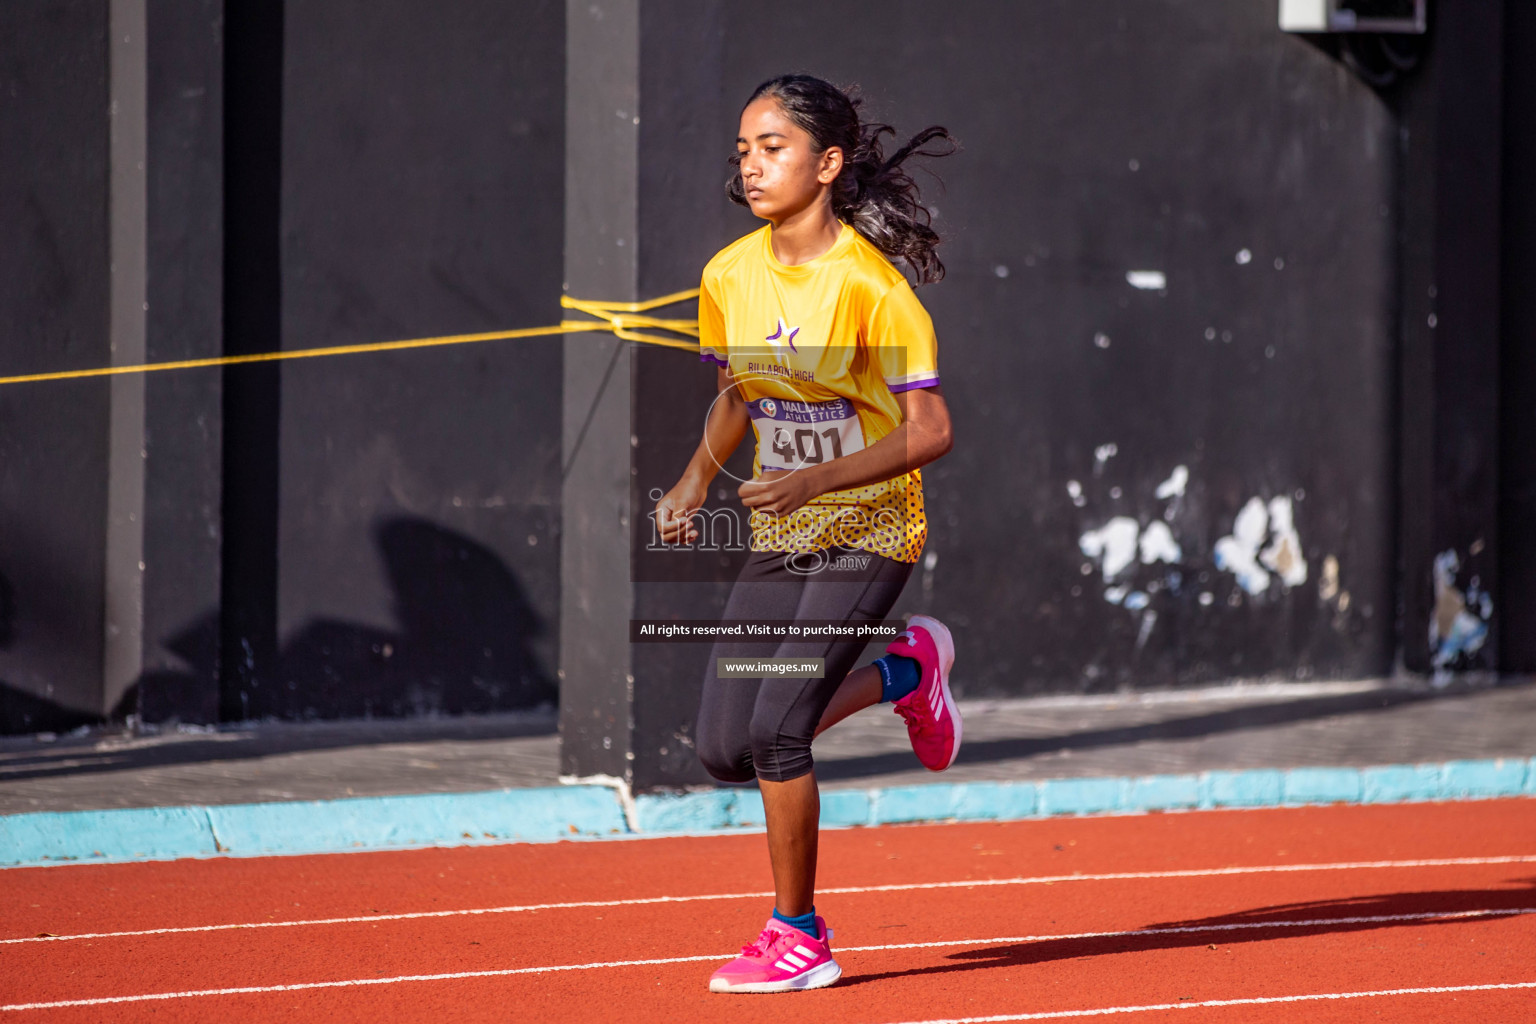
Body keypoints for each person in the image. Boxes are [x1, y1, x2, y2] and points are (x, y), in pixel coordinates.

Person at [653, 74, 960, 994]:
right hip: (784, 530)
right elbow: (738, 398)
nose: (752, 164)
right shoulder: (726, 274)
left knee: (778, 733)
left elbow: (931, 432)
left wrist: (815, 478)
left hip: (871, 526)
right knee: (723, 752)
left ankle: (801, 936)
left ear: (827, 165)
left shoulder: (873, 288)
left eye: (773, 146)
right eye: (743, 149)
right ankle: (909, 670)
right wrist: (692, 482)